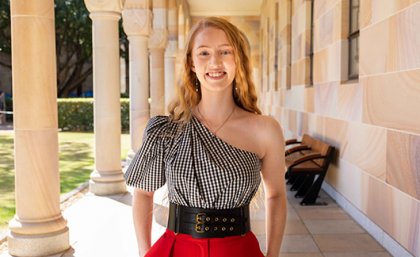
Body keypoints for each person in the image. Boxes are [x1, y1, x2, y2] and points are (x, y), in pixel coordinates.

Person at [125, 17, 286, 257]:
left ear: (238, 59)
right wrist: (144, 251)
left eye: (225, 51)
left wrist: (272, 254)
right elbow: (143, 193)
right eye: (203, 53)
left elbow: (276, 195)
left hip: (239, 250)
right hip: (177, 249)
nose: (215, 62)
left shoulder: (266, 129)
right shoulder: (166, 130)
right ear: (191, 63)